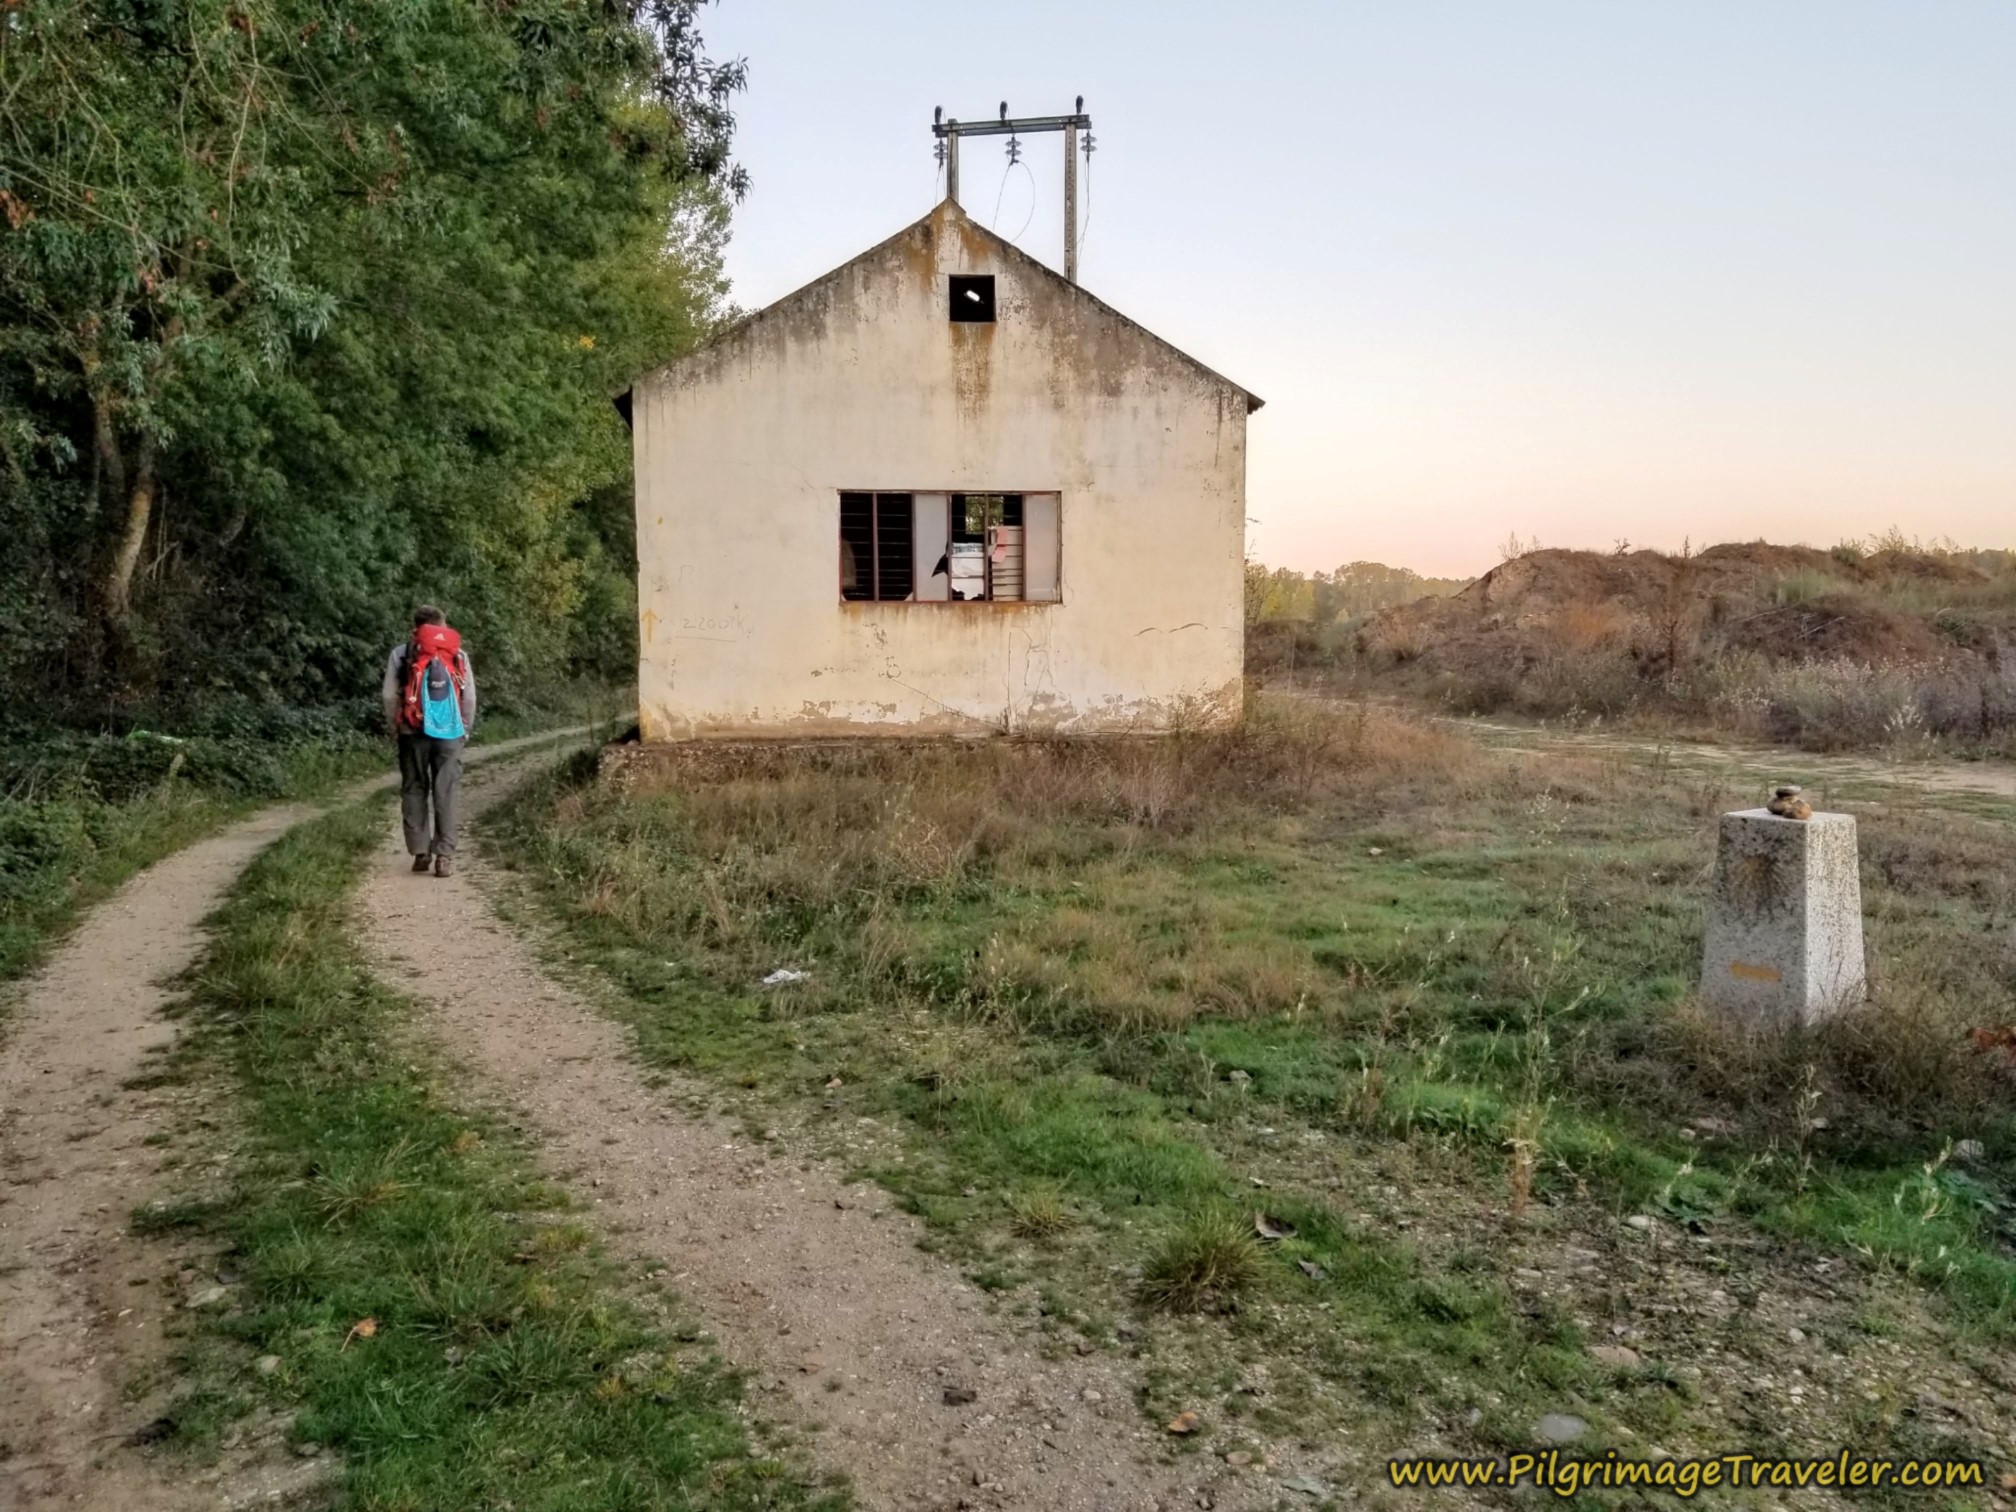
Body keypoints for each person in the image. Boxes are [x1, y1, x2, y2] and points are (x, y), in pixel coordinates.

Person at [382, 605, 476, 877]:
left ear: (416, 627)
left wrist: (395, 726)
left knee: (414, 787)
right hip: (449, 732)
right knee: (445, 790)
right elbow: (468, 697)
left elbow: (389, 696)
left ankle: (420, 852)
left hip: (412, 730)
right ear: (442, 625)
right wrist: (464, 729)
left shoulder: (401, 653)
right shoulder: (457, 654)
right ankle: (444, 856)